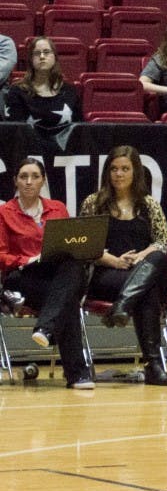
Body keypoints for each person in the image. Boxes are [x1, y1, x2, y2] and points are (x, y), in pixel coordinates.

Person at [79, 146, 167, 386]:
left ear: (136, 172)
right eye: (114, 169)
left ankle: (122, 306)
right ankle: (153, 366)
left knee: (159, 258)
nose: (119, 174)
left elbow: (161, 242)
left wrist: (142, 255)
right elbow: (82, 245)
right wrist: (113, 260)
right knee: (148, 292)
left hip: (139, 269)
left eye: (125, 169)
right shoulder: (94, 203)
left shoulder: (149, 205)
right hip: (105, 275)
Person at [0, 157, 94, 389]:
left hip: (55, 275)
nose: (29, 182)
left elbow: (73, 243)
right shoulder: (4, 212)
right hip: (22, 277)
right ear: (15, 181)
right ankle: (77, 375)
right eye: (23, 177)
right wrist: (28, 259)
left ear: (43, 181)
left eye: (35, 177)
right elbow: (1, 255)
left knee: (73, 267)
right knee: (68, 299)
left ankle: (45, 327)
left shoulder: (58, 208)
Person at [6, 37, 83, 141]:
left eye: (46, 52)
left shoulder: (70, 91)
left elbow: (81, 130)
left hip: (65, 155)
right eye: (37, 53)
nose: (42, 56)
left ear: (55, 57)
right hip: (29, 153)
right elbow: (13, 132)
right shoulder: (17, 91)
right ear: (30, 59)